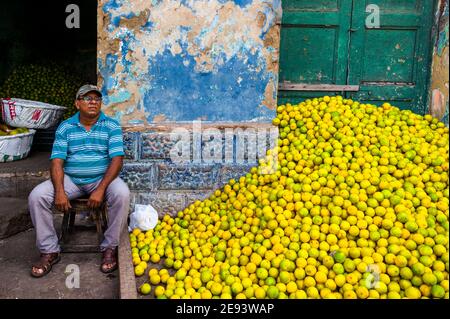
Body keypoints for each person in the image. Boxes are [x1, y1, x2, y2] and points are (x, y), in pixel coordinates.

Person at [28, 84, 130, 277]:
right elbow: (57, 161)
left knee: (122, 194)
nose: (93, 102)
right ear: (77, 104)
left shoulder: (111, 125)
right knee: (37, 196)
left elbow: (117, 160)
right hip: (72, 179)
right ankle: (49, 250)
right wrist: (59, 191)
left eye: (97, 99)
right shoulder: (66, 127)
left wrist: (100, 189)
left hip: (101, 179)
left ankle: (109, 247)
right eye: (87, 98)